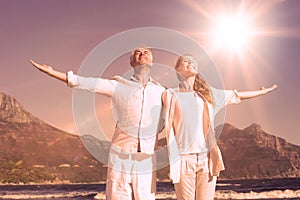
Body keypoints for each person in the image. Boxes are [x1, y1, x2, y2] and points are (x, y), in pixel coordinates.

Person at [30, 47, 165, 200]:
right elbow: (86, 83)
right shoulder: (119, 85)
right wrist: (52, 72)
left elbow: (181, 110)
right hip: (121, 154)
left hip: (146, 156)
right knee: (118, 196)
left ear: (152, 62)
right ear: (131, 62)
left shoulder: (162, 91)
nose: (143, 53)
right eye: (138, 52)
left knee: (146, 197)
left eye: (147, 52)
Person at [162, 54, 277, 200]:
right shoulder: (169, 95)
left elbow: (237, 95)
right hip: (183, 159)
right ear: (178, 69)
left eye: (193, 60)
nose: (191, 62)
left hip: (206, 159)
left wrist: (263, 92)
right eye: (186, 60)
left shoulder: (208, 95)